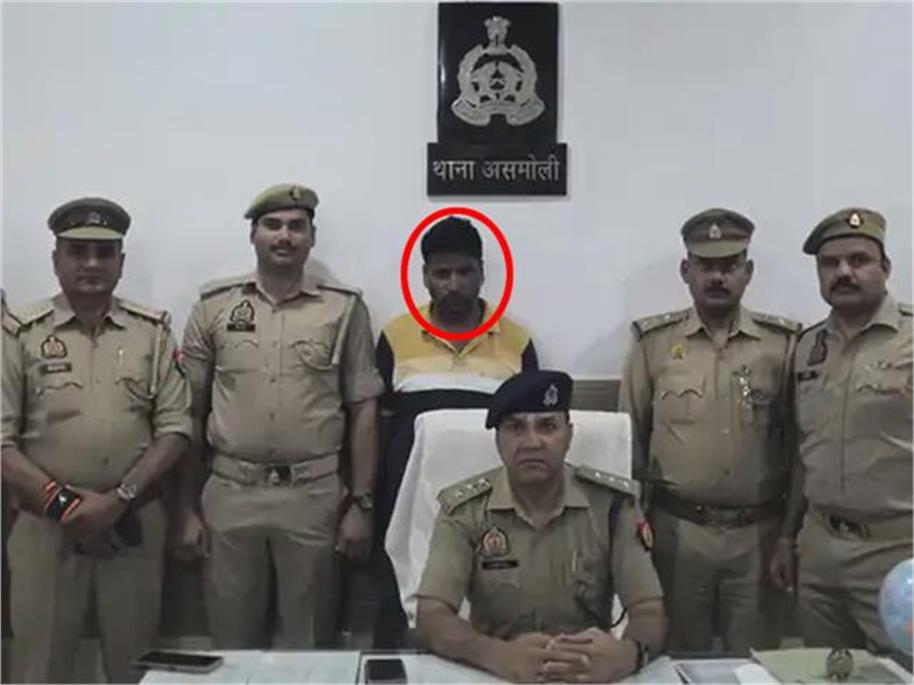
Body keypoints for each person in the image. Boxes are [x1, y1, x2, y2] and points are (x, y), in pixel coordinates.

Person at [177, 182, 383, 648]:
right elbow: (190, 411)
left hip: (313, 497)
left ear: (312, 237)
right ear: (253, 235)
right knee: (231, 645)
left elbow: (364, 410)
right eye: (272, 225)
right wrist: (185, 508)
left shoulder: (344, 308)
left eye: (296, 226)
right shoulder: (214, 306)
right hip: (231, 494)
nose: (284, 236)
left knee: (308, 647)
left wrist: (362, 505)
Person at [1, 197, 191, 682]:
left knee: (136, 668)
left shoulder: (152, 333)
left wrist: (118, 500)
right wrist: (67, 507)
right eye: (78, 251)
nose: (91, 263)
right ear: (55, 259)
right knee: (39, 669)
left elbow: (175, 429)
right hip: (44, 529)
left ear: (121, 263)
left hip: (133, 525)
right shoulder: (18, 333)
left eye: (104, 253)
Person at [619, 208, 800, 652]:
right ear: (686, 271)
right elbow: (629, 443)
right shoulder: (653, 344)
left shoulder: (783, 345)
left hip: (758, 536)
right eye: (705, 265)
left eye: (729, 265)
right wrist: (632, 532)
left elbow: (800, 448)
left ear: (748, 272)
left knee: (754, 665)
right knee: (674, 659)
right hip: (676, 535)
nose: (717, 277)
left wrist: (789, 535)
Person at [416, 370, 665, 683]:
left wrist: (628, 655)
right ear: (498, 439)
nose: (532, 442)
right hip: (496, 675)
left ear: (569, 435)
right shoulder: (465, 511)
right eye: (515, 427)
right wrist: (493, 654)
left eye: (547, 426)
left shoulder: (613, 506)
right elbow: (432, 614)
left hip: (589, 675)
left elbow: (648, 610)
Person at [374, 216, 538, 646]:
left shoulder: (517, 342)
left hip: (491, 513)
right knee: (404, 621)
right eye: (442, 273)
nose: (453, 284)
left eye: (464, 272)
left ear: (482, 273)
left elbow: (529, 434)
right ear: (424, 276)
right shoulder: (395, 337)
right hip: (410, 508)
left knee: (489, 625)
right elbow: (378, 428)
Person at [769, 207, 912, 654]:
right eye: (829, 264)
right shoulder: (807, 347)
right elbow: (803, 452)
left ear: (885, 267)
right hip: (820, 553)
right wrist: (788, 536)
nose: (843, 272)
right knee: (824, 672)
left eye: (858, 260)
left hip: (897, 554)